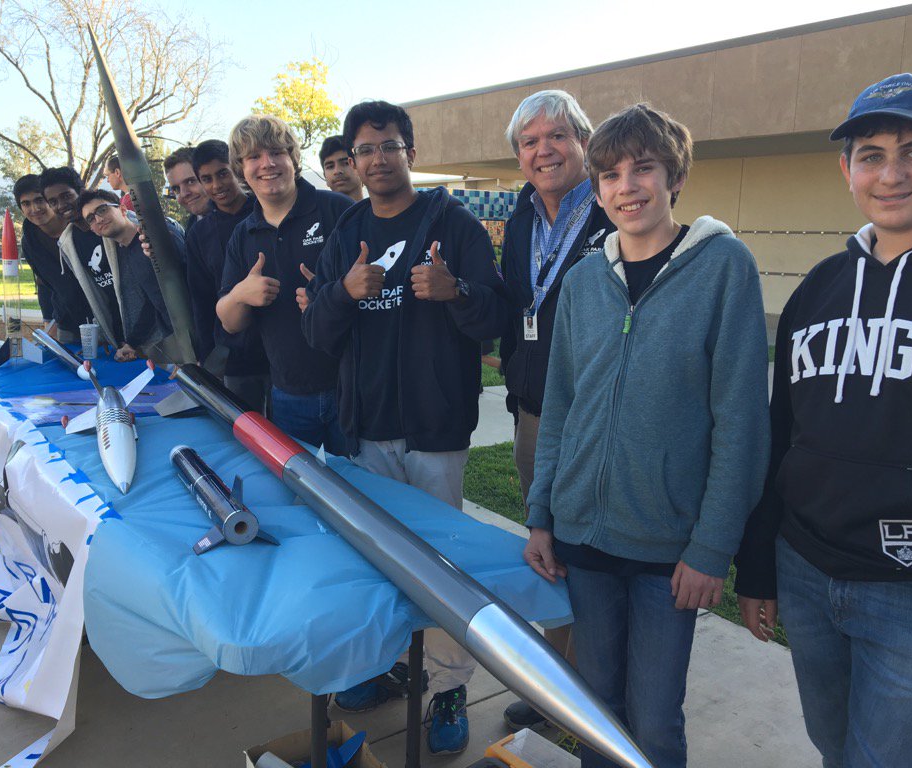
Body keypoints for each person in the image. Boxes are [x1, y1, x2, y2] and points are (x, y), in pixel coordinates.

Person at [524, 104, 769, 768]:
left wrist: (714, 547)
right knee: (596, 710)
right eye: (608, 174)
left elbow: (742, 422)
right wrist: (542, 515)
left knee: (656, 723)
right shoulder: (581, 283)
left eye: (643, 169)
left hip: (669, 550)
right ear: (596, 188)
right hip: (583, 539)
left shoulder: (724, 269)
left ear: (675, 176)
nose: (625, 187)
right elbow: (561, 405)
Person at [735, 73, 912, 768]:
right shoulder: (819, 286)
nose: (891, 174)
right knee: (837, 752)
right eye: (871, 154)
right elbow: (781, 434)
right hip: (807, 571)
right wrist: (759, 566)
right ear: (847, 169)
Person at [303, 100, 508, 756]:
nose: (377, 159)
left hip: (436, 427)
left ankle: (447, 685)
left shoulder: (453, 224)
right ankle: (387, 663)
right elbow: (317, 336)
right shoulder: (345, 233)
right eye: (364, 150)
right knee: (379, 558)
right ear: (354, 162)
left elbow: (495, 317)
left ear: (411, 153)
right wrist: (343, 292)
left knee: (443, 563)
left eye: (389, 146)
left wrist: (457, 292)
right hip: (368, 428)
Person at [498, 89, 614, 732]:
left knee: (593, 545)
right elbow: (521, 307)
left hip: (598, 415)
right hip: (536, 410)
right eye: (530, 141)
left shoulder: (614, 208)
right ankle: (559, 675)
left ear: (584, 143)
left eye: (558, 136)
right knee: (546, 543)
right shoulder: (521, 217)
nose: (544, 150)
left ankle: (589, 678)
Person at [217, 115, 351, 448]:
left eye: (276, 152)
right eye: (253, 157)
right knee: (297, 493)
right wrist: (241, 295)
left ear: (293, 158)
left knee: (359, 494)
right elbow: (229, 322)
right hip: (288, 394)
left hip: (351, 386)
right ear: (241, 168)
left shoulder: (338, 211)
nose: (267, 164)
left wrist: (332, 295)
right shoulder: (243, 234)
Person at [187, 138, 269, 410]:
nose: (217, 185)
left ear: (236, 169)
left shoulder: (267, 212)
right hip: (235, 357)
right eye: (206, 179)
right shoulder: (199, 233)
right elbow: (200, 298)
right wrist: (205, 354)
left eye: (223, 173)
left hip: (280, 348)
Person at [39, 166, 134, 360]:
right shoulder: (68, 243)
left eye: (66, 196)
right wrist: (108, 337)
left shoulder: (119, 223)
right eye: (53, 201)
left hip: (150, 333)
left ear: (81, 192)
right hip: (119, 339)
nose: (61, 205)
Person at [77, 189, 177, 355]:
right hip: (169, 344)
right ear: (93, 230)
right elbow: (151, 301)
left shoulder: (153, 237)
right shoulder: (121, 253)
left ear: (123, 209)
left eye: (102, 210)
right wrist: (132, 343)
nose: (99, 219)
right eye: (91, 218)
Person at [14, 174, 91, 344]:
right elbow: (44, 283)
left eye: (39, 200)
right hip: (67, 323)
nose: (34, 209)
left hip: (108, 318)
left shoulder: (82, 226)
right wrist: (49, 321)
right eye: (26, 203)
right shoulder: (29, 242)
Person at [164, 147, 210, 231]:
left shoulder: (239, 222)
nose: (184, 193)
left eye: (190, 181)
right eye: (176, 189)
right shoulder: (192, 228)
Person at [319, 135, 364, 201]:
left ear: (361, 168)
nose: (337, 171)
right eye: (330, 166)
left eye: (346, 163)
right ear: (325, 176)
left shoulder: (380, 210)